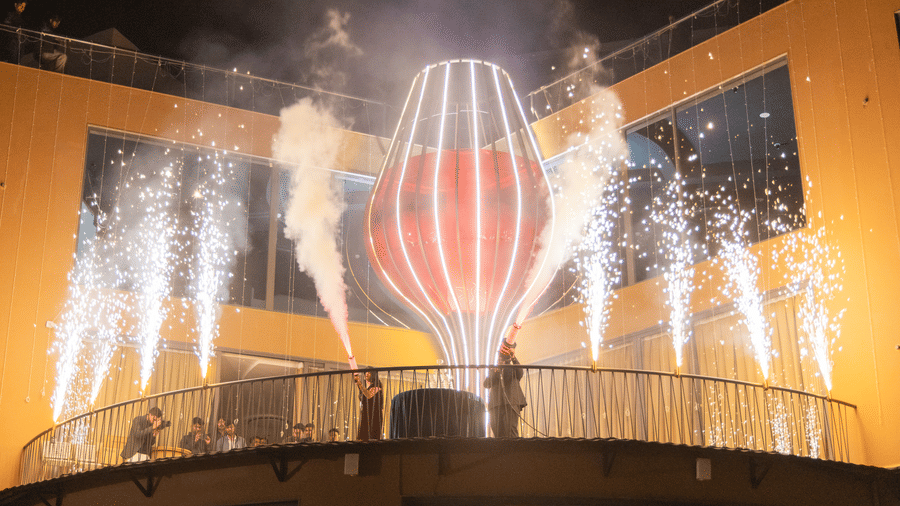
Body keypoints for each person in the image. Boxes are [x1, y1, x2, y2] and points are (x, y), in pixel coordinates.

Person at [483, 343, 526, 438]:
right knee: (497, 432)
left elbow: (520, 373)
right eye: (499, 359)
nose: (500, 360)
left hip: (511, 401)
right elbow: (486, 384)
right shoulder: (494, 370)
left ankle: (514, 452)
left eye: (501, 358)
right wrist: (494, 371)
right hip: (496, 404)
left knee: (511, 431)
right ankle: (501, 452)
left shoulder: (512, 367)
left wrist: (513, 358)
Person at [354, 367, 383, 441]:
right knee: (363, 437)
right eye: (366, 372)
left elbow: (369, 395)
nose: (366, 374)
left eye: (369, 372)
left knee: (371, 436)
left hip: (374, 415)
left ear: (373, 374)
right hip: (366, 414)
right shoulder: (367, 387)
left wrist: (359, 384)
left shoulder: (377, 386)